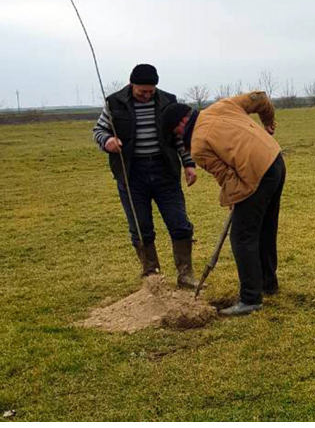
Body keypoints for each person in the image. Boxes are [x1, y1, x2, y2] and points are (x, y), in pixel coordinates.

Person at [164, 91, 284, 316]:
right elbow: (260, 98)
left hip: (255, 174)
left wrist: (234, 197)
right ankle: (268, 284)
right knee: (265, 228)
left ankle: (250, 298)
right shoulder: (223, 105)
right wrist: (268, 123)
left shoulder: (198, 146)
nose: (178, 139)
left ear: (181, 123)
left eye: (176, 134)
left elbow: (227, 176)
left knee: (242, 236)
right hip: (275, 160)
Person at [92, 64, 199, 289]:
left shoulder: (168, 101)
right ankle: (153, 278)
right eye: (142, 91)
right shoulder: (114, 103)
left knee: (180, 224)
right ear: (132, 85)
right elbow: (99, 131)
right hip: (132, 176)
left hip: (165, 173)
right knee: (141, 228)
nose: (147, 95)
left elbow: (179, 136)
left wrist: (189, 164)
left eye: (151, 91)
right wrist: (107, 141)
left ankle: (186, 275)